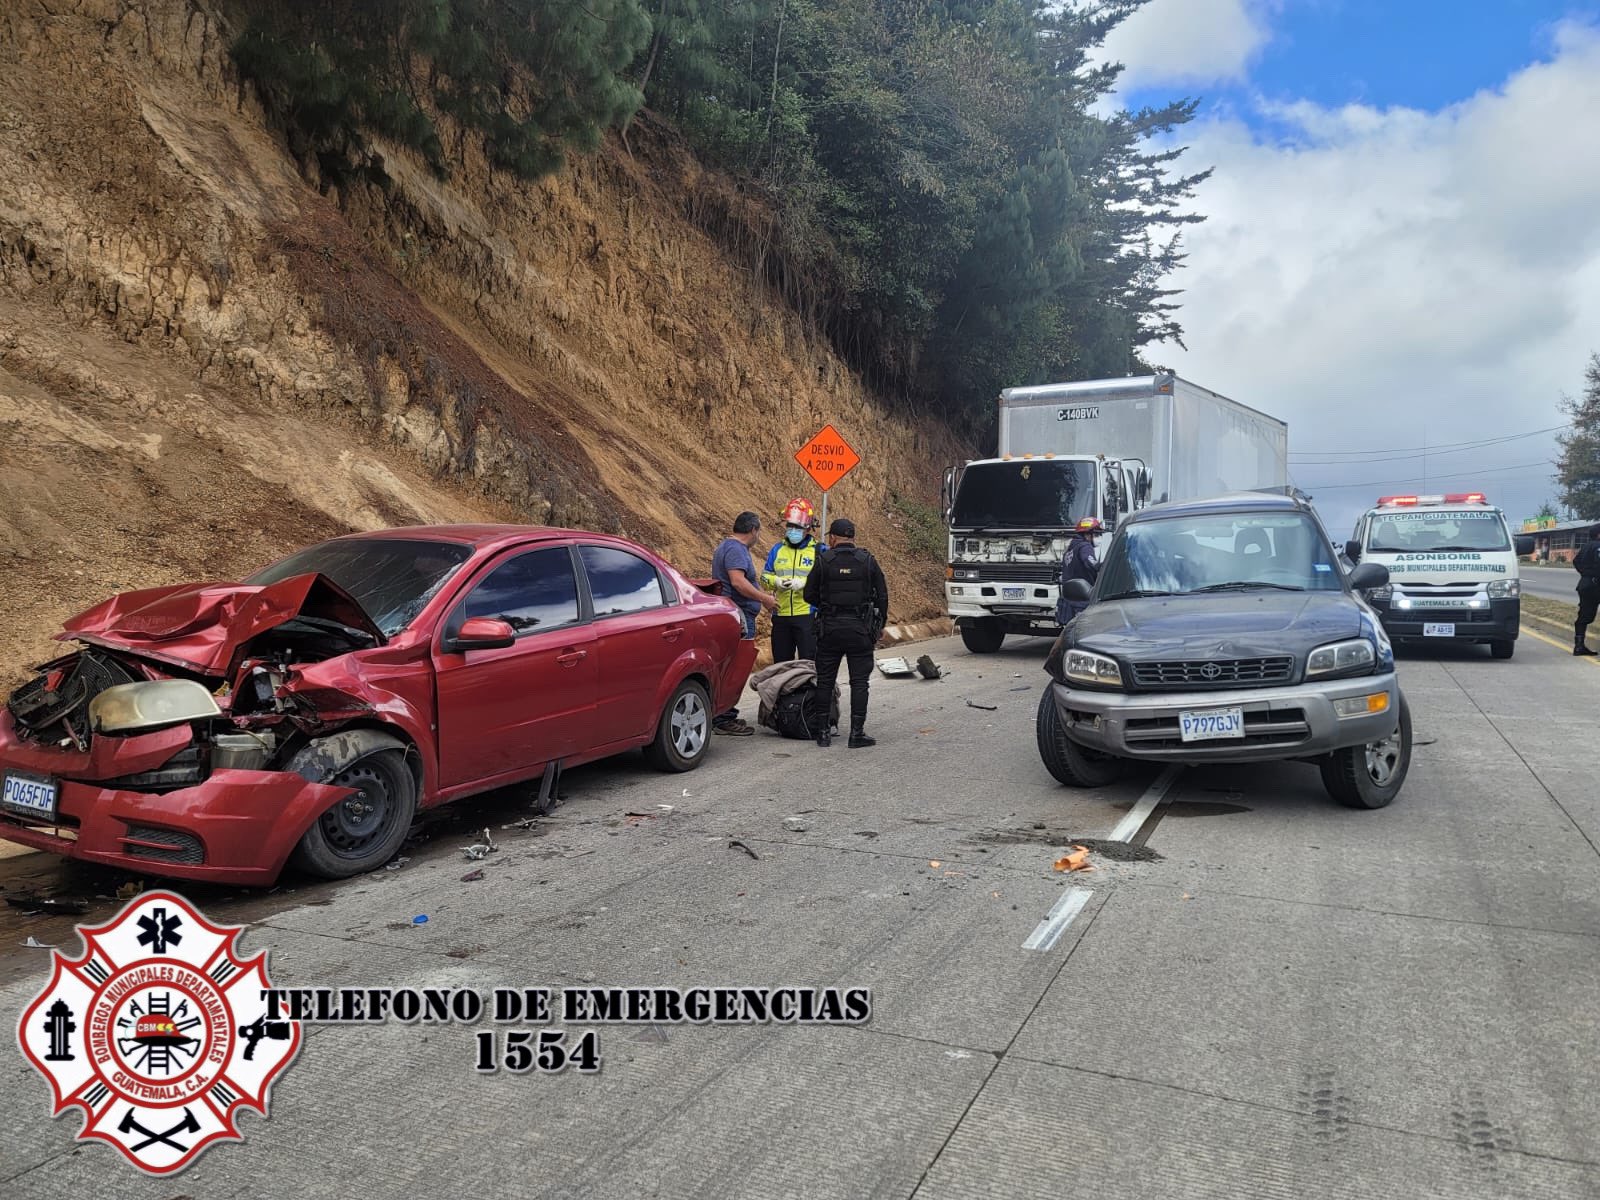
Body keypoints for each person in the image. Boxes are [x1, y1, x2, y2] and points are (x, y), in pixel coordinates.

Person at [804, 517, 889, 748]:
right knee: (860, 682)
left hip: (829, 628)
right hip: (860, 629)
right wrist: (880, 624)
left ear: (832, 538)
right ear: (852, 538)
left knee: (825, 681)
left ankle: (823, 734)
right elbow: (882, 594)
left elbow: (808, 594)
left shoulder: (823, 560)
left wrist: (825, 604)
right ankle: (856, 734)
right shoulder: (867, 561)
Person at [711, 511, 779, 734]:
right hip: (738, 618)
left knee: (730, 666)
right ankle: (723, 718)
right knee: (736, 668)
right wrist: (765, 599)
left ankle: (725, 714)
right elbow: (738, 582)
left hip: (734, 615)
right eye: (759, 531)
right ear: (753, 530)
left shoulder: (727, 547)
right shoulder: (736, 550)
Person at [761, 498, 822, 663]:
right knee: (781, 664)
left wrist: (804, 583)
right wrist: (777, 581)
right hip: (781, 614)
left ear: (808, 528)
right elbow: (764, 577)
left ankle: (809, 690)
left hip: (808, 615)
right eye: (790, 526)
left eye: (797, 527)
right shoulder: (777, 550)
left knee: (809, 663)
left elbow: (828, 581)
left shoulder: (819, 551)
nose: (793, 530)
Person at [1055, 517, 1104, 626]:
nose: (1098, 538)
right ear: (1087, 535)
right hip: (1082, 603)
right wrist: (1107, 564)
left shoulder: (1070, 549)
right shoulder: (1085, 546)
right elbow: (1092, 564)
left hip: (1068, 602)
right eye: (1095, 534)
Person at [1574, 524, 1600, 656]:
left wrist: (1585, 574)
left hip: (1585, 584)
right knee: (1586, 616)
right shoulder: (1598, 547)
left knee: (1584, 616)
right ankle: (1579, 646)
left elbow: (1575, 561)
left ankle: (1579, 646)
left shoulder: (1585, 546)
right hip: (1596, 585)